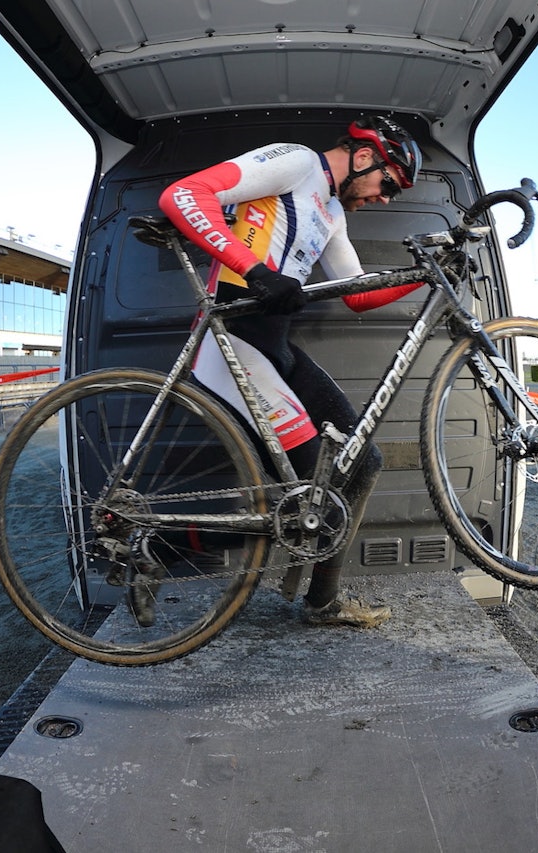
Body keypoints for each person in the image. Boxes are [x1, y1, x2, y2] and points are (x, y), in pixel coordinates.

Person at [153, 115, 424, 629]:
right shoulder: (297, 162)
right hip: (233, 341)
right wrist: (254, 270)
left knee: (360, 462)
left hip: (274, 342)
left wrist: (424, 274)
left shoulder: (332, 212)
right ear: (363, 156)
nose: (384, 197)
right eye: (387, 182)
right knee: (313, 502)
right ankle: (161, 543)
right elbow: (184, 195)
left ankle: (321, 601)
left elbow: (358, 294)